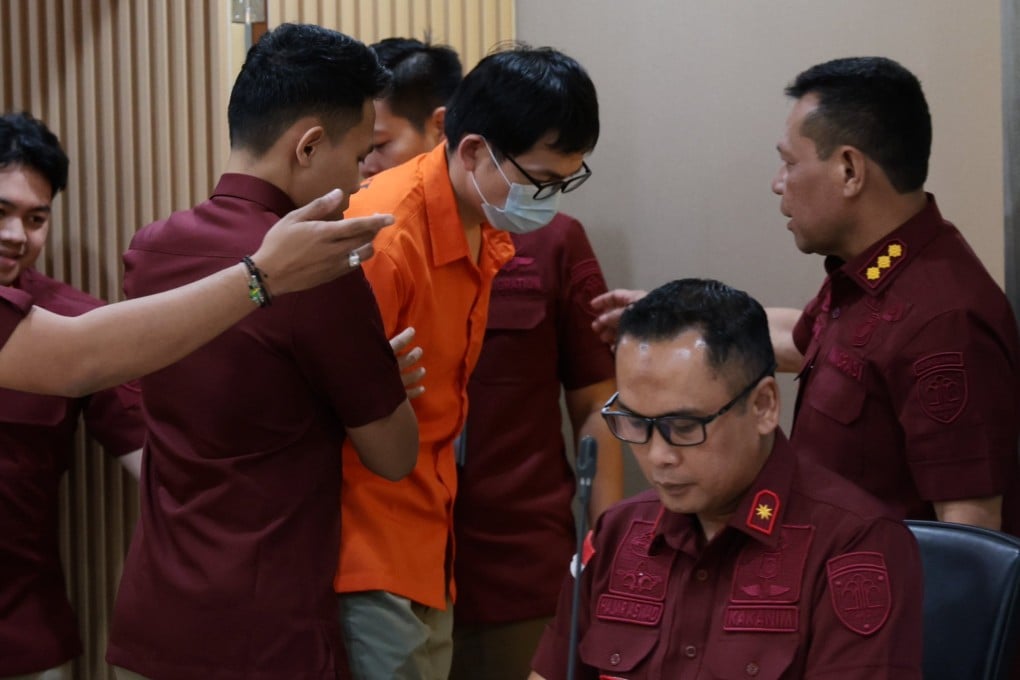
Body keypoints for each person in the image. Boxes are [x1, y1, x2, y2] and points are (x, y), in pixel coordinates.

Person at [105, 24, 419, 680]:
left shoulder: (150, 247)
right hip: (261, 636)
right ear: (308, 145)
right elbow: (393, 456)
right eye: (361, 155)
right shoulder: (317, 269)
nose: (363, 179)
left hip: (151, 620)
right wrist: (379, 381)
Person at [592, 56, 1020, 535]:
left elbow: (972, 536)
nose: (778, 183)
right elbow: (803, 342)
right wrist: (677, 328)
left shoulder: (944, 320)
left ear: (849, 170)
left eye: (790, 162)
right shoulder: (871, 275)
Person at [359, 37, 623, 679]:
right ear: (473, 149)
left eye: (566, 181)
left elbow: (597, 398)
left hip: (492, 552)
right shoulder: (383, 236)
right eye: (542, 181)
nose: (551, 199)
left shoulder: (496, 231)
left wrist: (609, 541)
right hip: (379, 555)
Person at [531, 278, 923, 679]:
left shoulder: (854, 544)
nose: (659, 456)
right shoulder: (617, 533)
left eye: (684, 426)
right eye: (634, 422)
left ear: (764, 406)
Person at [0, 112, 141, 680]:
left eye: (36, 218)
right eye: (0, 212)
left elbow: (155, 459)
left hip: (24, 631)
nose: (17, 235)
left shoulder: (74, 325)